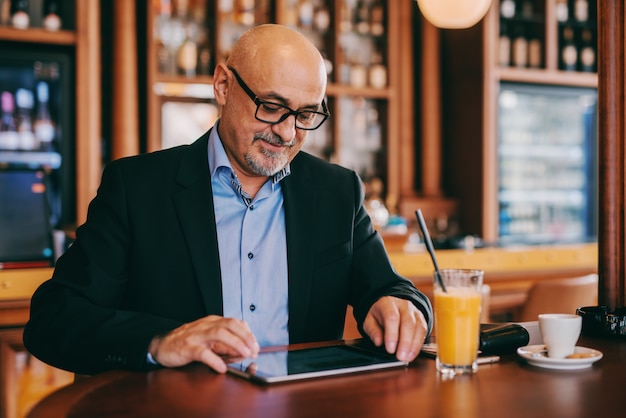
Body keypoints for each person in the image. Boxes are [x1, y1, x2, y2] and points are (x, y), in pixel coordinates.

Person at [23, 24, 432, 375]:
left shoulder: (337, 192)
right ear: (223, 85)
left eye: (306, 115)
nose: (288, 133)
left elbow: (393, 289)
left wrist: (398, 306)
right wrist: (161, 341)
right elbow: (53, 318)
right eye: (272, 107)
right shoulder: (136, 187)